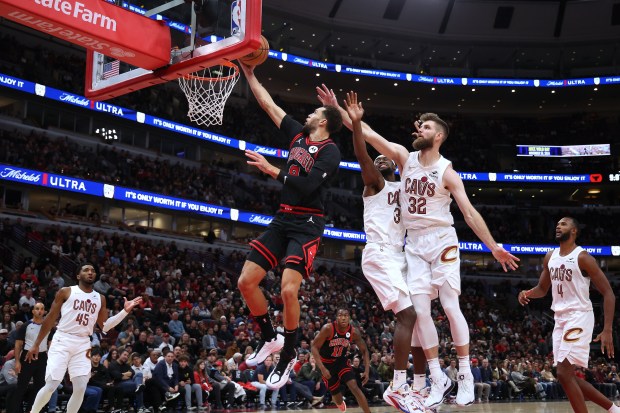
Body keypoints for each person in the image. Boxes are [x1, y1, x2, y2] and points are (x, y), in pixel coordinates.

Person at [318, 85, 518, 408]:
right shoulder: (403, 158)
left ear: (438, 136)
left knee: (451, 306)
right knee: (420, 312)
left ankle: (465, 374)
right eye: (419, 125)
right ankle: (437, 377)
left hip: (441, 240)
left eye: (426, 127)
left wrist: (493, 247)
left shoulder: (447, 172)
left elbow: (468, 211)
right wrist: (336, 111)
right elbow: (365, 133)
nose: (419, 129)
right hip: (413, 245)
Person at [236, 61, 343, 390]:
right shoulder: (298, 134)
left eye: (315, 112)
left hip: (308, 224)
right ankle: (270, 339)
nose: (309, 113)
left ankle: (290, 353)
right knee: (246, 282)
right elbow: (269, 104)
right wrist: (250, 74)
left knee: (286, 290)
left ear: (324, 121)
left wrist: (272, 171)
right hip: (283, 218)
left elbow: (307, 186)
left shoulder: (331, 151)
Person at [344, 92, 425, 413]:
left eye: (385, 159)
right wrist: (356, 124)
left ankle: (417, 387)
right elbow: (364, 156)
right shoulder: (374, 185)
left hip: (400, 256)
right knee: (408, 316)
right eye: (377, 161)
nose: (379, 161)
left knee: (419, 319)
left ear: (395, 164)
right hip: (380, 253)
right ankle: (398, 384)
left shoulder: (404, 189)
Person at [518, 217, 620, 413]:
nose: (558, 226)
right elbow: (542, 288)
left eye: (564, 224)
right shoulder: (550, 256)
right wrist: (527, 293)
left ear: (574, 231)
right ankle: (613, 409)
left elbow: (609, 293)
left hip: (579, 315)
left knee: (564, 373)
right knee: (564, 375)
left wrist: (607, 329)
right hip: (560, 318)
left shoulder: (583, 257)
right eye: (557, 223)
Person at [25, 264, 142, 413]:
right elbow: (50, 318)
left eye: (93, 270)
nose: (90, 272)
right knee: (51, 385)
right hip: (63, 339)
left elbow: (105, 327)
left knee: (80, 387)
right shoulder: (66, 291)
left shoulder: (100, 298)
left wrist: (124, 312)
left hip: (83, 343)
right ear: (78, 276)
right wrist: (36, 344)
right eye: (86, 270)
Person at [311, 308, 371, 413]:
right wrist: (322, 368)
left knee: (354, 385)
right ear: (336, 317)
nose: (343, 318)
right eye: (340, 315)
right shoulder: (328, 329)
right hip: (326, 364)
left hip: (341, 361)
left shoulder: (353, 332)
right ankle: (339, 402)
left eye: (346, 315)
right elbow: (314, 347)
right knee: (337, 397)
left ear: (349, 317)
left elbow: (365, 350)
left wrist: (367, 370)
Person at [10, 301, 50, 413]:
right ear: (33, 311)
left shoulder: (48, 326)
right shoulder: (25, 325)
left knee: (40, 388)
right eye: (37, 308)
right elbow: (18, 345)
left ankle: (32, 411)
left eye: (42, 309)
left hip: (42, 358)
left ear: (45, 311)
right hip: (27, 357)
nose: (39, 311)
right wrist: (17, 362)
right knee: (21, 388)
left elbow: (51, 344)